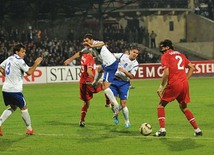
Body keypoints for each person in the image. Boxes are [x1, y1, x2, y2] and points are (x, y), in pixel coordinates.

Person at [153, 39, 202, 137]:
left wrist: (161, 87)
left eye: (162, 47)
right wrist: (184, 79)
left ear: (167, 47)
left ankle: (162, 130)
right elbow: (192, 67)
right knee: (183, 107)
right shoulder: (181, 55)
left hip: (174, 84)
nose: (161, 49)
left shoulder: (166, 56)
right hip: (184, 84)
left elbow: (166, 73)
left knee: (161, 105)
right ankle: (197, 130)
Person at [0, 43, 43, 136]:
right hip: (14, 90)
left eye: (25, 52)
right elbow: (29, 72)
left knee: (13, 107)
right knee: (24, 107)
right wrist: (36, 63)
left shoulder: (9, 58)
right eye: (22, 52)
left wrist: (6, 75)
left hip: (5, 89)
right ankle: (29, 129)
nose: (24, 54)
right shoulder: (19, 61)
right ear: (17, 52)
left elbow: (0, 67)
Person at [82, 33, 120, 117]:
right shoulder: (91, 48)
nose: (85, 42)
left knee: (105, 88)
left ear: (91, 40)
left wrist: (91, 46)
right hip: (108, 64)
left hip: (109, 65)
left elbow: (102, 43)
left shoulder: (96, 43)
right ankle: (94, 83)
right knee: (99, 69)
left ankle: (115, 104)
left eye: (87, 40)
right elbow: (85, 52)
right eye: (84, 41)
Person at [107, 47, 139, 128]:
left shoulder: (135, 64)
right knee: (112, 103)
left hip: (124, 83)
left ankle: (127, 121)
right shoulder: (122, 56)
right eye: (134, 52)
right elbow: (111, 55)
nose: (135, 54)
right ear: (130, 52)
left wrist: (124, 71)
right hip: (114, 81)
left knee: (123, 104)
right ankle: (116, 115)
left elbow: (132, 76)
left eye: (137, 53)